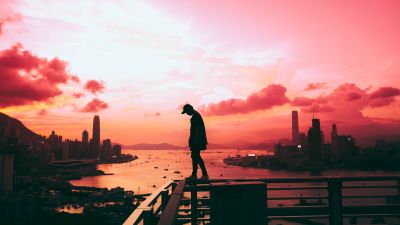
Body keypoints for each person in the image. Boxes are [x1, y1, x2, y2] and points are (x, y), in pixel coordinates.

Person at [181, 104, 209, 180]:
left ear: (190, 109)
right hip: (197, 140)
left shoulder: (195, 116)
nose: (186, 114)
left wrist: (193, 141)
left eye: (186, 112)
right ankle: (196, 175)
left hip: (197, 140)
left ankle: (203, 175)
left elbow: (197, 130)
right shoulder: (196, 115)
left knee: (195, 156)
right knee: (195, 156)